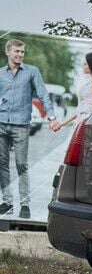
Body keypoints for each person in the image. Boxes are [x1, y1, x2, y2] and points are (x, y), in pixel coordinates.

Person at [0, 39, 60, 219]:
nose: (20, 55)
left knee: (21, 164)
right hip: (1, 123)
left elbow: (43, 94)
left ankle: (24, 204)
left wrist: (51, 117)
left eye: (22, 52)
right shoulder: (0, 74)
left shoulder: (32, 72)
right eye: (17, 51)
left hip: (21, 125)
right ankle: (7, 202)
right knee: (2, 164)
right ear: (8, 52)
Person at [57, 52, 92, 129]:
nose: (83, 66)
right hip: (80, 121)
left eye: (85, 64)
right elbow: (80, 109)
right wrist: (62, 123)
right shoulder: (87, 83)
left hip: (90, 122)